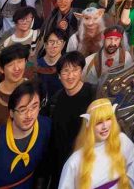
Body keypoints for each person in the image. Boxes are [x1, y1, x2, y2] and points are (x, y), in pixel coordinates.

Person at [59, 98, 134, 189]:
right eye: (99, 122)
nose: (105, 126)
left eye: (108, 119)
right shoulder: (74, 161)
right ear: (89, 125)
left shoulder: (121, 140)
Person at [43, 51, 96, 189]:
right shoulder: (55, 100)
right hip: (61, 168)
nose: (70, 76)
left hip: (88, 165)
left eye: (75, 70)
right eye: (65, 71)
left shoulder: (94, 95)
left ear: (81, 72)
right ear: (59, 76)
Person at [34, 28, 67, 99]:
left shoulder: (67, 65)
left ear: (63, 44)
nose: (54, 46)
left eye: (59, 42)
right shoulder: (37, 64)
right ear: (45, 44)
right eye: (51, 42)